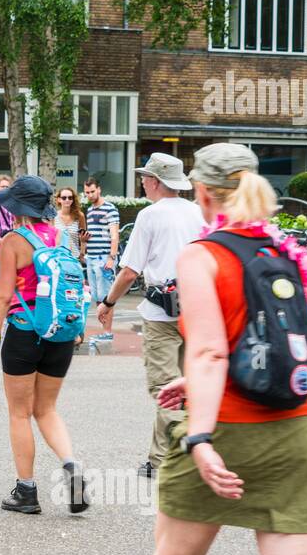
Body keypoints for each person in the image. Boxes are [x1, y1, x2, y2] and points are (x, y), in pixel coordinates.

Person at [147, 143, 307, 555]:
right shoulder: (286, 252)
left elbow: (212, 349)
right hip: (295, 426)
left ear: (202, 191)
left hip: (228, 429)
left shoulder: (203, 255)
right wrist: (199, 384)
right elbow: (270, 344)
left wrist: (198, 435)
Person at [0, 176, 87, 516]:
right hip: (60, 334)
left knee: (20, 413)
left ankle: (26, 490)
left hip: (25, 331)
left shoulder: (14, 240)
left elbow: (4, 297)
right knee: (47, 409)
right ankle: (71, 466)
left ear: (18, 207)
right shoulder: (61, 236)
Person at [97, 154, 202, 478]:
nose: (142, 181)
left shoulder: (150, 216)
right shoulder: (198, 213)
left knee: (164, 388)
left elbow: (130, 271)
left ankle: (182, 457)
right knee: (187, 387)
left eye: (145, 177)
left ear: (156, 181)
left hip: (161, 312)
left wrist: (108, 302)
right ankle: (159, 459)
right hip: (197, 308)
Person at [83, 176, 119, 343]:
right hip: (91, 257)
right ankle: (104, 331)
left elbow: (114, 235)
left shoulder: (110, 209)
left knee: (107, 297)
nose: (90, 195)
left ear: (99, 189)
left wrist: (111, 257)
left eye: (92, 191)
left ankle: (107, 332)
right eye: (87, 192)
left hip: (104, 257)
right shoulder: (89, 211)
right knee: (97, 297)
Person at [52, 186, 86, 262]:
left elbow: (83, 238)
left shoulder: (79, 216)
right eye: (64, 198)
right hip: (58, 258)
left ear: (73, 200)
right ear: (59, 199)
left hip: (74, 258)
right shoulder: (54, 216)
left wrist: (82, 254)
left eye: (70, 198)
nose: (67, 200)